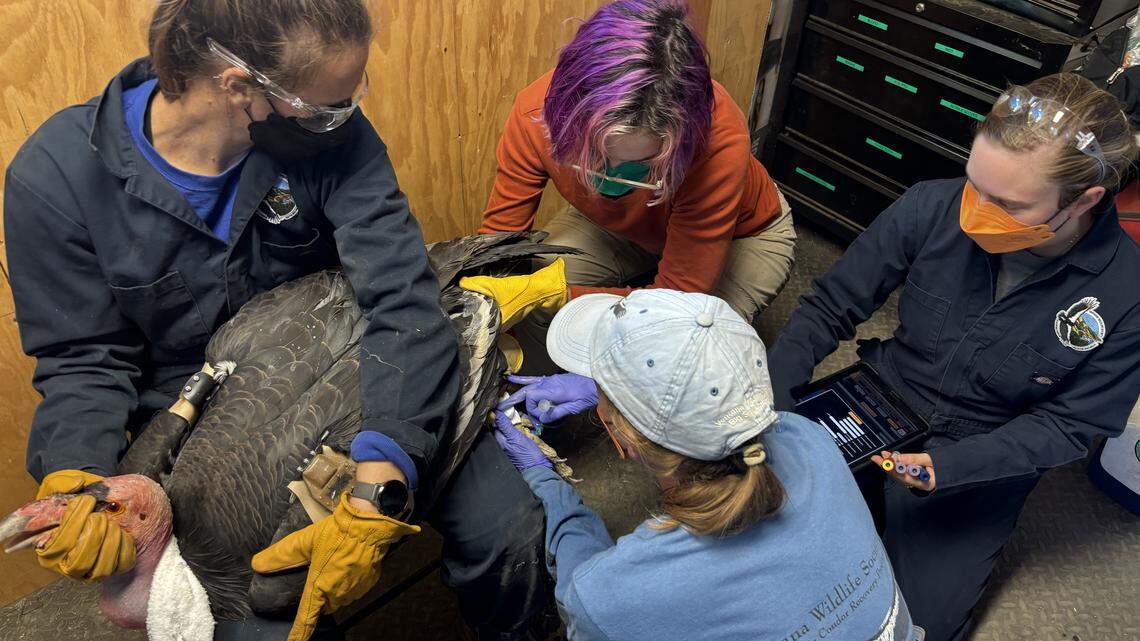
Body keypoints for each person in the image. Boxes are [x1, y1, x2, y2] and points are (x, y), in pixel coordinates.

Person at [3, 1, 545, 639]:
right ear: (239, 88)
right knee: (259, 614)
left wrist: (388, 465)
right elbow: (84, 357)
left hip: (351, 361)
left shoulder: (331, 135)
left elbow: (401, 298)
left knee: (506, 529)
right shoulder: (58, 175)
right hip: (192, 402)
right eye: (323, 104)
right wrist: (79, 474)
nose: (343, 118)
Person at [766, 73, 1140, 641]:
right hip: (883, 395)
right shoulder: (931, 205)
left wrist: (952, 469)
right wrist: (775, 407)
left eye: (1008, 204)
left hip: (985, 445)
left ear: (1085, 199)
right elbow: (827, 307)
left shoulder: (1127, 292)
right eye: (973, 184)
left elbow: (1069, 427)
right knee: (755, 541)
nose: (975, 212)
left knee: (917, 625)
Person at [494, 289, 920, 641]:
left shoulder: (612, 596)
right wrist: (618, 396)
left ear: (624, 438)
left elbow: (582, 596)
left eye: (602, 393)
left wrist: (547, 483)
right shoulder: (807, 438)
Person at [461, 0, 796, 373]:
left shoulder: (718, 141)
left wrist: (559, 294)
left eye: (640, 165)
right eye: (597, 156)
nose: (614, 175)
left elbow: (676, 298)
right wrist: (487, 295)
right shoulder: (534, 114)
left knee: (681, 355)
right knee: (532, 312)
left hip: (745, 234)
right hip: (617, 225)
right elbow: (500, 242)